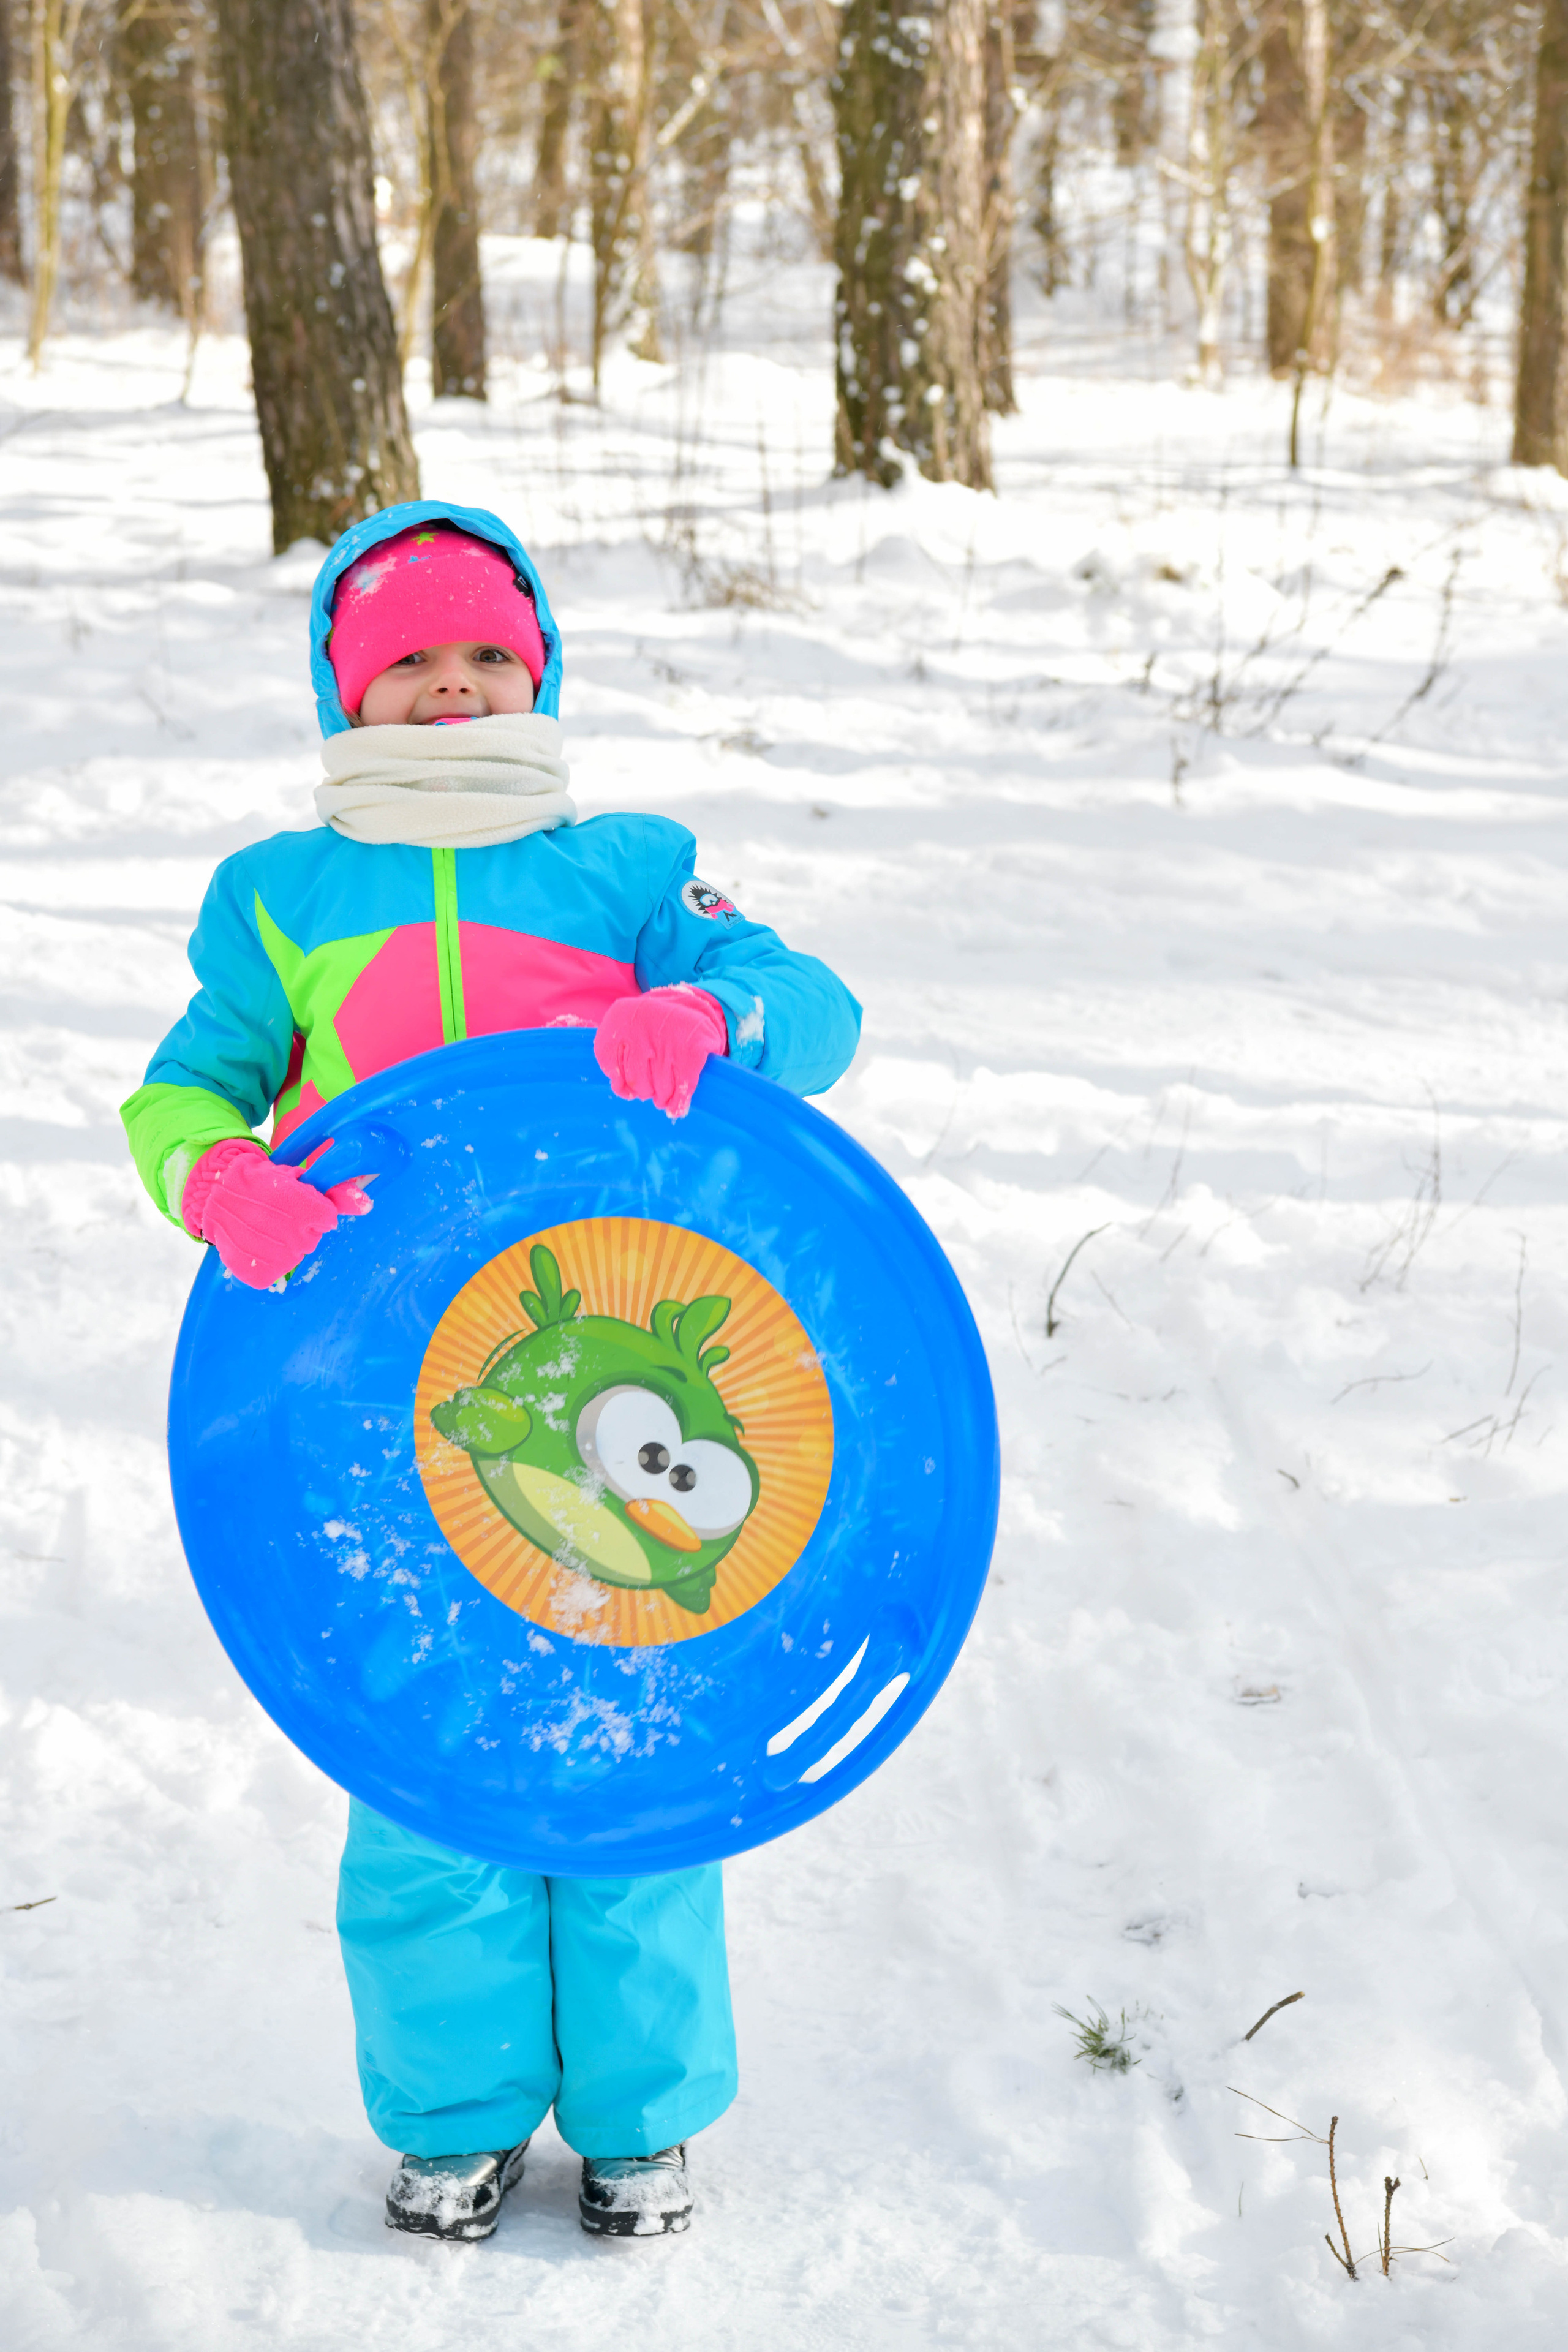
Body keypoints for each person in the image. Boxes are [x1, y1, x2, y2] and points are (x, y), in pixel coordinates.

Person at [121, 501, 861, 2242]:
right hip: (382, 1395)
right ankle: (453, 2116)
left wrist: (713, 1014)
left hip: (618, 1364)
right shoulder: (282, 896)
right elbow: (183, 1091)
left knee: (628, 1736)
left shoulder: (625, 869)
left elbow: (810, 1003)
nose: (452, 686)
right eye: (409, 661)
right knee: (422, 1746)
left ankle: (640, 2118)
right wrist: (217, 1178)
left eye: (484, 654)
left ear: (536, 674)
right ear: (344, 694)